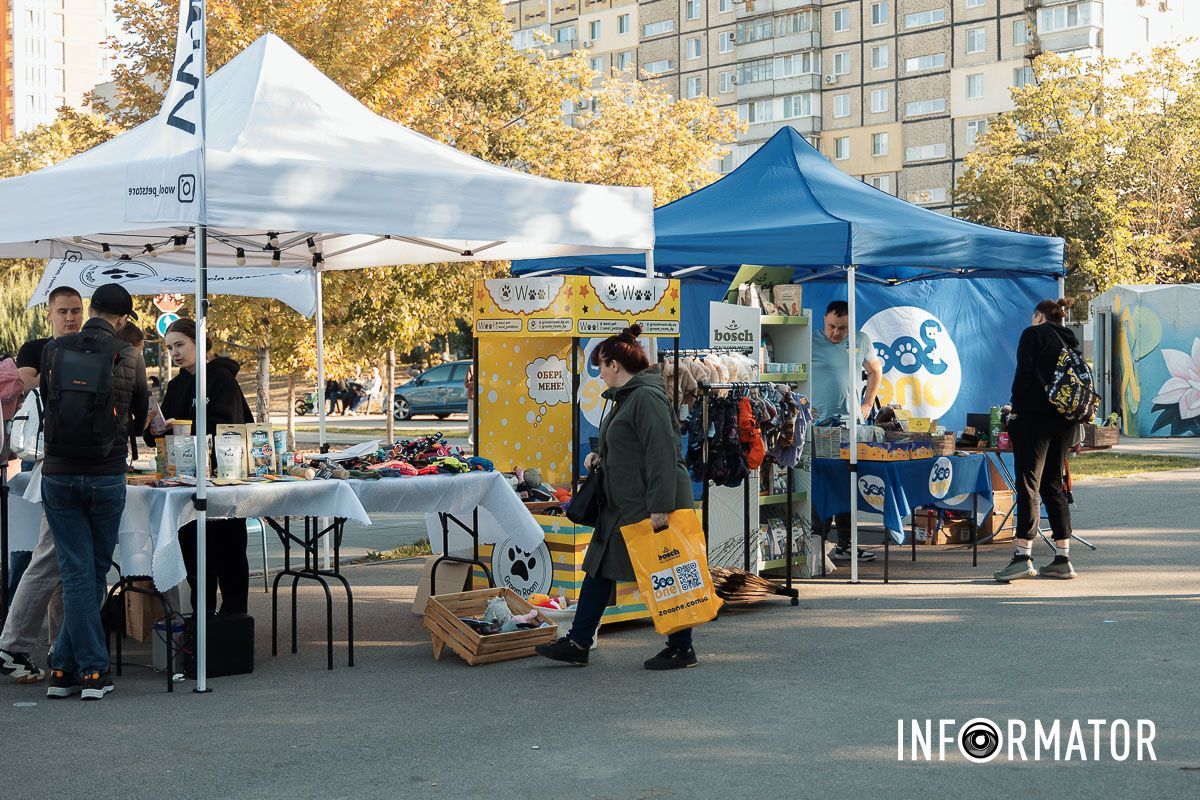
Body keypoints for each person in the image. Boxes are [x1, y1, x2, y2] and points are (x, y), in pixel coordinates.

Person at [536, 325, 698, 671]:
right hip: (625, 501)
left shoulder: (646, 398)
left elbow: (662, 453)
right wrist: (600, 456)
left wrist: (660, 507)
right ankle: (579, 642)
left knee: (665, 568)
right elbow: (631, 444)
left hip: (647, 503)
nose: (600, 374)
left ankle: (682, 648)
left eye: (601, 366)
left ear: (614, 364)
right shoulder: (628, 397)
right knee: (599, 566)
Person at [40, 283, 148, 700]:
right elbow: (140, 415)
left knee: (76, 573)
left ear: (90, 311)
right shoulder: (129, 354)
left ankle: (62, 668)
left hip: (59, 474)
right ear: (122, 318)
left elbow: (50, 406)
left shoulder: (54, 350)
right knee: (94, 571)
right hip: (105, 474)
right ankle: (93, 671)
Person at [0, 286, 83, 684]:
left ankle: (60, 648)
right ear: (49, 313)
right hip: (55, 465)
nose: (70, 317)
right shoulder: (38, 349)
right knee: (49, 558)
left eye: (76, 310)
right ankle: (14, 644)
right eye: (63, 311)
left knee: (65, 562)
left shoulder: (91, 348)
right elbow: (29, 386)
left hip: (80, 466)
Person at [149, 317, 254, 614]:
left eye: (180, 345)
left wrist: (185, 427)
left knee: (230, 558)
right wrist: (154, 427)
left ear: (200, 343)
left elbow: (229, 425)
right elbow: (162, 430)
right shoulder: (176, 385)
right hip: (186, 483)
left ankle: (234, 623)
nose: (175, 353)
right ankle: (202, 623)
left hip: (223, 482)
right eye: (170, 348)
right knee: (196, 561)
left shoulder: (222, 379)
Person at [994, 298, 1080, 582]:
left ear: (1039, 316)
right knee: (1053, 484)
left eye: (1033, 317)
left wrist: (1015, 409)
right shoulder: (1069, 340)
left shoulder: (1033, 334)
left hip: (1034, 418)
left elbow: (1024, 374)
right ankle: (1063, 558)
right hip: (1064, 420)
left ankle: (1023, 556)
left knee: (1028, 484)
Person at [810, 300, 884, 563]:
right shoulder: (808, 341)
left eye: (842, 328)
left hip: (850, 426)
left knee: (848, 485)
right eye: (832, 326)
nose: (836, 333)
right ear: (824, 319)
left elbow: (875, 371)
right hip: (817, 428)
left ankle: (846, 544)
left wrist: (867, 404)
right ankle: (816, 545)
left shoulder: (861, 340)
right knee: (821, 486)